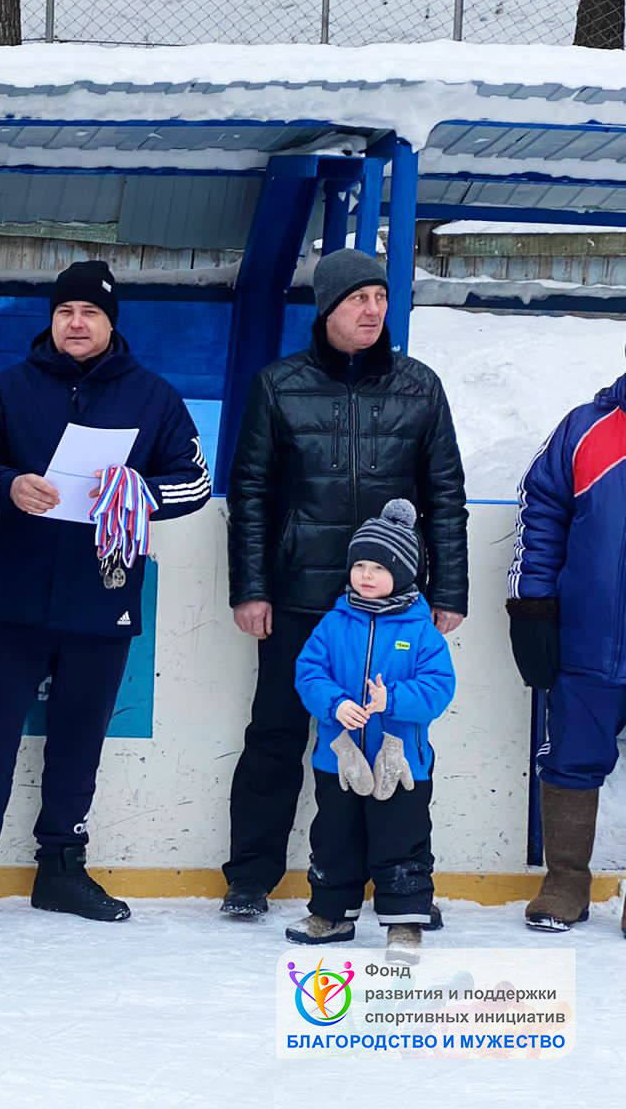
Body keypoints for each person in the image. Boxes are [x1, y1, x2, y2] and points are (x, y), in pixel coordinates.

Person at [0, 259, 212, 926]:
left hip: (102, 596)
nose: (76, 323)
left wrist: (141, 492)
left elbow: (195, 482)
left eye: (89, 313)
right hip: (18, 595)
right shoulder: (11, 386)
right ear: (51, 320)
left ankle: (60, 866)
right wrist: (9, 485)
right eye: (64, 312)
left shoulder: (153, 398)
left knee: (79, 740)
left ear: (111, 323)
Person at [221, 247, 468, 920]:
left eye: (380, 297)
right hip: (300, 599)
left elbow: (445, 496)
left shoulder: (420, 387)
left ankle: (399, 884)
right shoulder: (278, 385)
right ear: (327, 308)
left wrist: (449, 591)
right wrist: (251, 588)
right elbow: (251, 494)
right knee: (276, 735)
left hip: (394, 611)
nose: (373, 310)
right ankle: (250, 876)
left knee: (395, 739)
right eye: (358, 298)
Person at [286, 499, 455, 963]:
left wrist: (392, 699)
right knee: (334, 839)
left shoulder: (421, 632)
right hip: (338, 760)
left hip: (401, 766)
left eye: (379, 567)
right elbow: (309, 672)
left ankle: (405, 922)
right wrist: (335, 704)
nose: (365, 575)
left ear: (403, 572)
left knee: (401, 841)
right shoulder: (334, 623)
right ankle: (331, 914)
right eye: (360, 564)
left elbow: (439, 688)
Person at [507, 357, 626, 937]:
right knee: (572, 757)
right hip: (587, 640)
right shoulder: (586, 428)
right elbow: (541, 512)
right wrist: (533, 606)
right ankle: (566, 883)